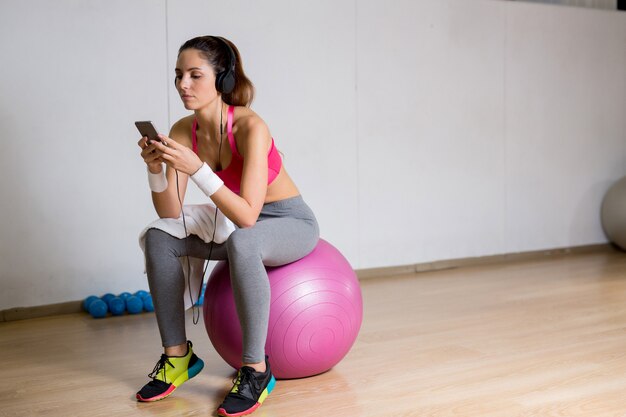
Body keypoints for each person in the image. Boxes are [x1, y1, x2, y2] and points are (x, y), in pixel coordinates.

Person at [135, 35, 319, 417]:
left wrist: (197, 169)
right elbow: (172, 213)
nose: (183, 84)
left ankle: (255, 370)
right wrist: (156, 170)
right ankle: (178, 357)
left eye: (195, 75)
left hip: (287, 220)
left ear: (223, 80)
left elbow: (249, 217)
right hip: (234, 222)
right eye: (178, 75)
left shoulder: (252, 128)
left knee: (245, 242)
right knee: (158, 236)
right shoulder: (185, 129)